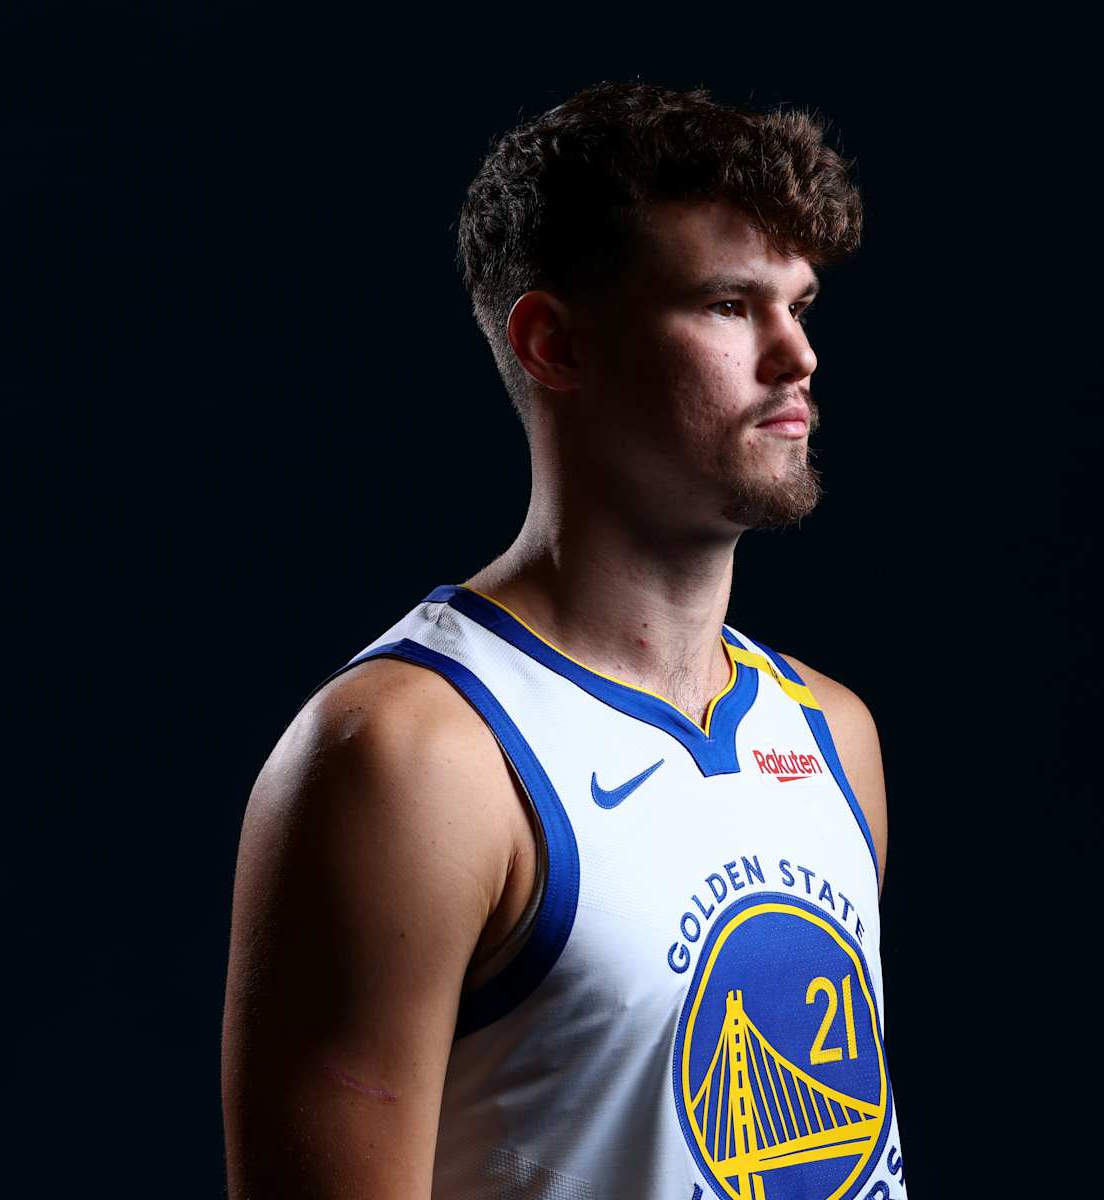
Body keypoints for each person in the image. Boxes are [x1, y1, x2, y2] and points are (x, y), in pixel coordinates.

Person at [222, 80, 906, 1199]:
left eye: (802, 306)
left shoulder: (833, 735)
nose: (797, 358)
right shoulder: (409, 757)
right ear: (554, 344)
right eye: (731, 306)